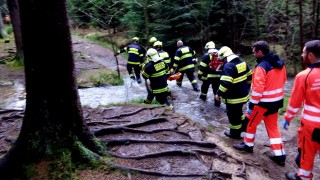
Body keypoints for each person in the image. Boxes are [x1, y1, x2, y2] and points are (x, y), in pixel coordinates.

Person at [233, 41, 287, 167]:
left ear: (260, 52)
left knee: (251, 124)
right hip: (276, 103)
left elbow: (257, 89)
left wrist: (252, 105)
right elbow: (283, 80)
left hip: (262, 104)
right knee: (273, 128)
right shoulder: (280, 64)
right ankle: (280, 155)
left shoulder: (261, 67)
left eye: (254, 52)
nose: (253, 54)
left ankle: (248, 145)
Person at [283, 40, 320, 180]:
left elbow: (295, 102)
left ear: (310, 55)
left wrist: (287, 118)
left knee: (306, 153)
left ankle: (303, 177)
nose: (301, 54)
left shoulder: (304, 76)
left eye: (303, 52)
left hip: (311, 126)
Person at [215, 46, 252, 139]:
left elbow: (225, 83)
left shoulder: (228, 66)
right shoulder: (242, 61)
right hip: (243, 95)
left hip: (233, 98)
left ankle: (234, 134)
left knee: (232, 116)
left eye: (222, 59)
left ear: (224, 57)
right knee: (239, 112)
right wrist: (247, 87)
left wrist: (218, 93)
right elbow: (249, 76)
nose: (222, 61)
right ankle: (244, 128)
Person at [198, 41, 222, 106]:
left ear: (208, 48)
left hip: (208, 76)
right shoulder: (219, 53)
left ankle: (203, 98)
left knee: (205, 86)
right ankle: (217, 102)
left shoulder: (207, 55)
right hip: (218, 76)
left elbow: (202, 67)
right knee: (216, 89)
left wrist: (199, 75)